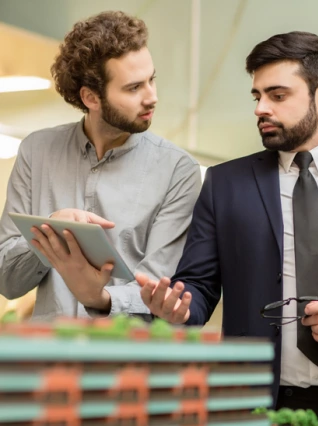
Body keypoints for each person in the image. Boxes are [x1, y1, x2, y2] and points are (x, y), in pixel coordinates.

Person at [137, 31, 318, 426]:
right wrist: (176, 308)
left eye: (277, 96)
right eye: (256, 96)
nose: (261, 108)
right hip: (251, 405)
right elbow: (199, 287)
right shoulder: (224, 184)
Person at [0, 11, 201, 320]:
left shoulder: (177, 170)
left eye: (152, 80)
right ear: (91, 97)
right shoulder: (36, 151)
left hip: (125, 359)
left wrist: (100, 298)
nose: (152, 97)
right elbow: (7, 281)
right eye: (134, 88)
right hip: (48, 356)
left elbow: (158, 289)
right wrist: (50, 232)